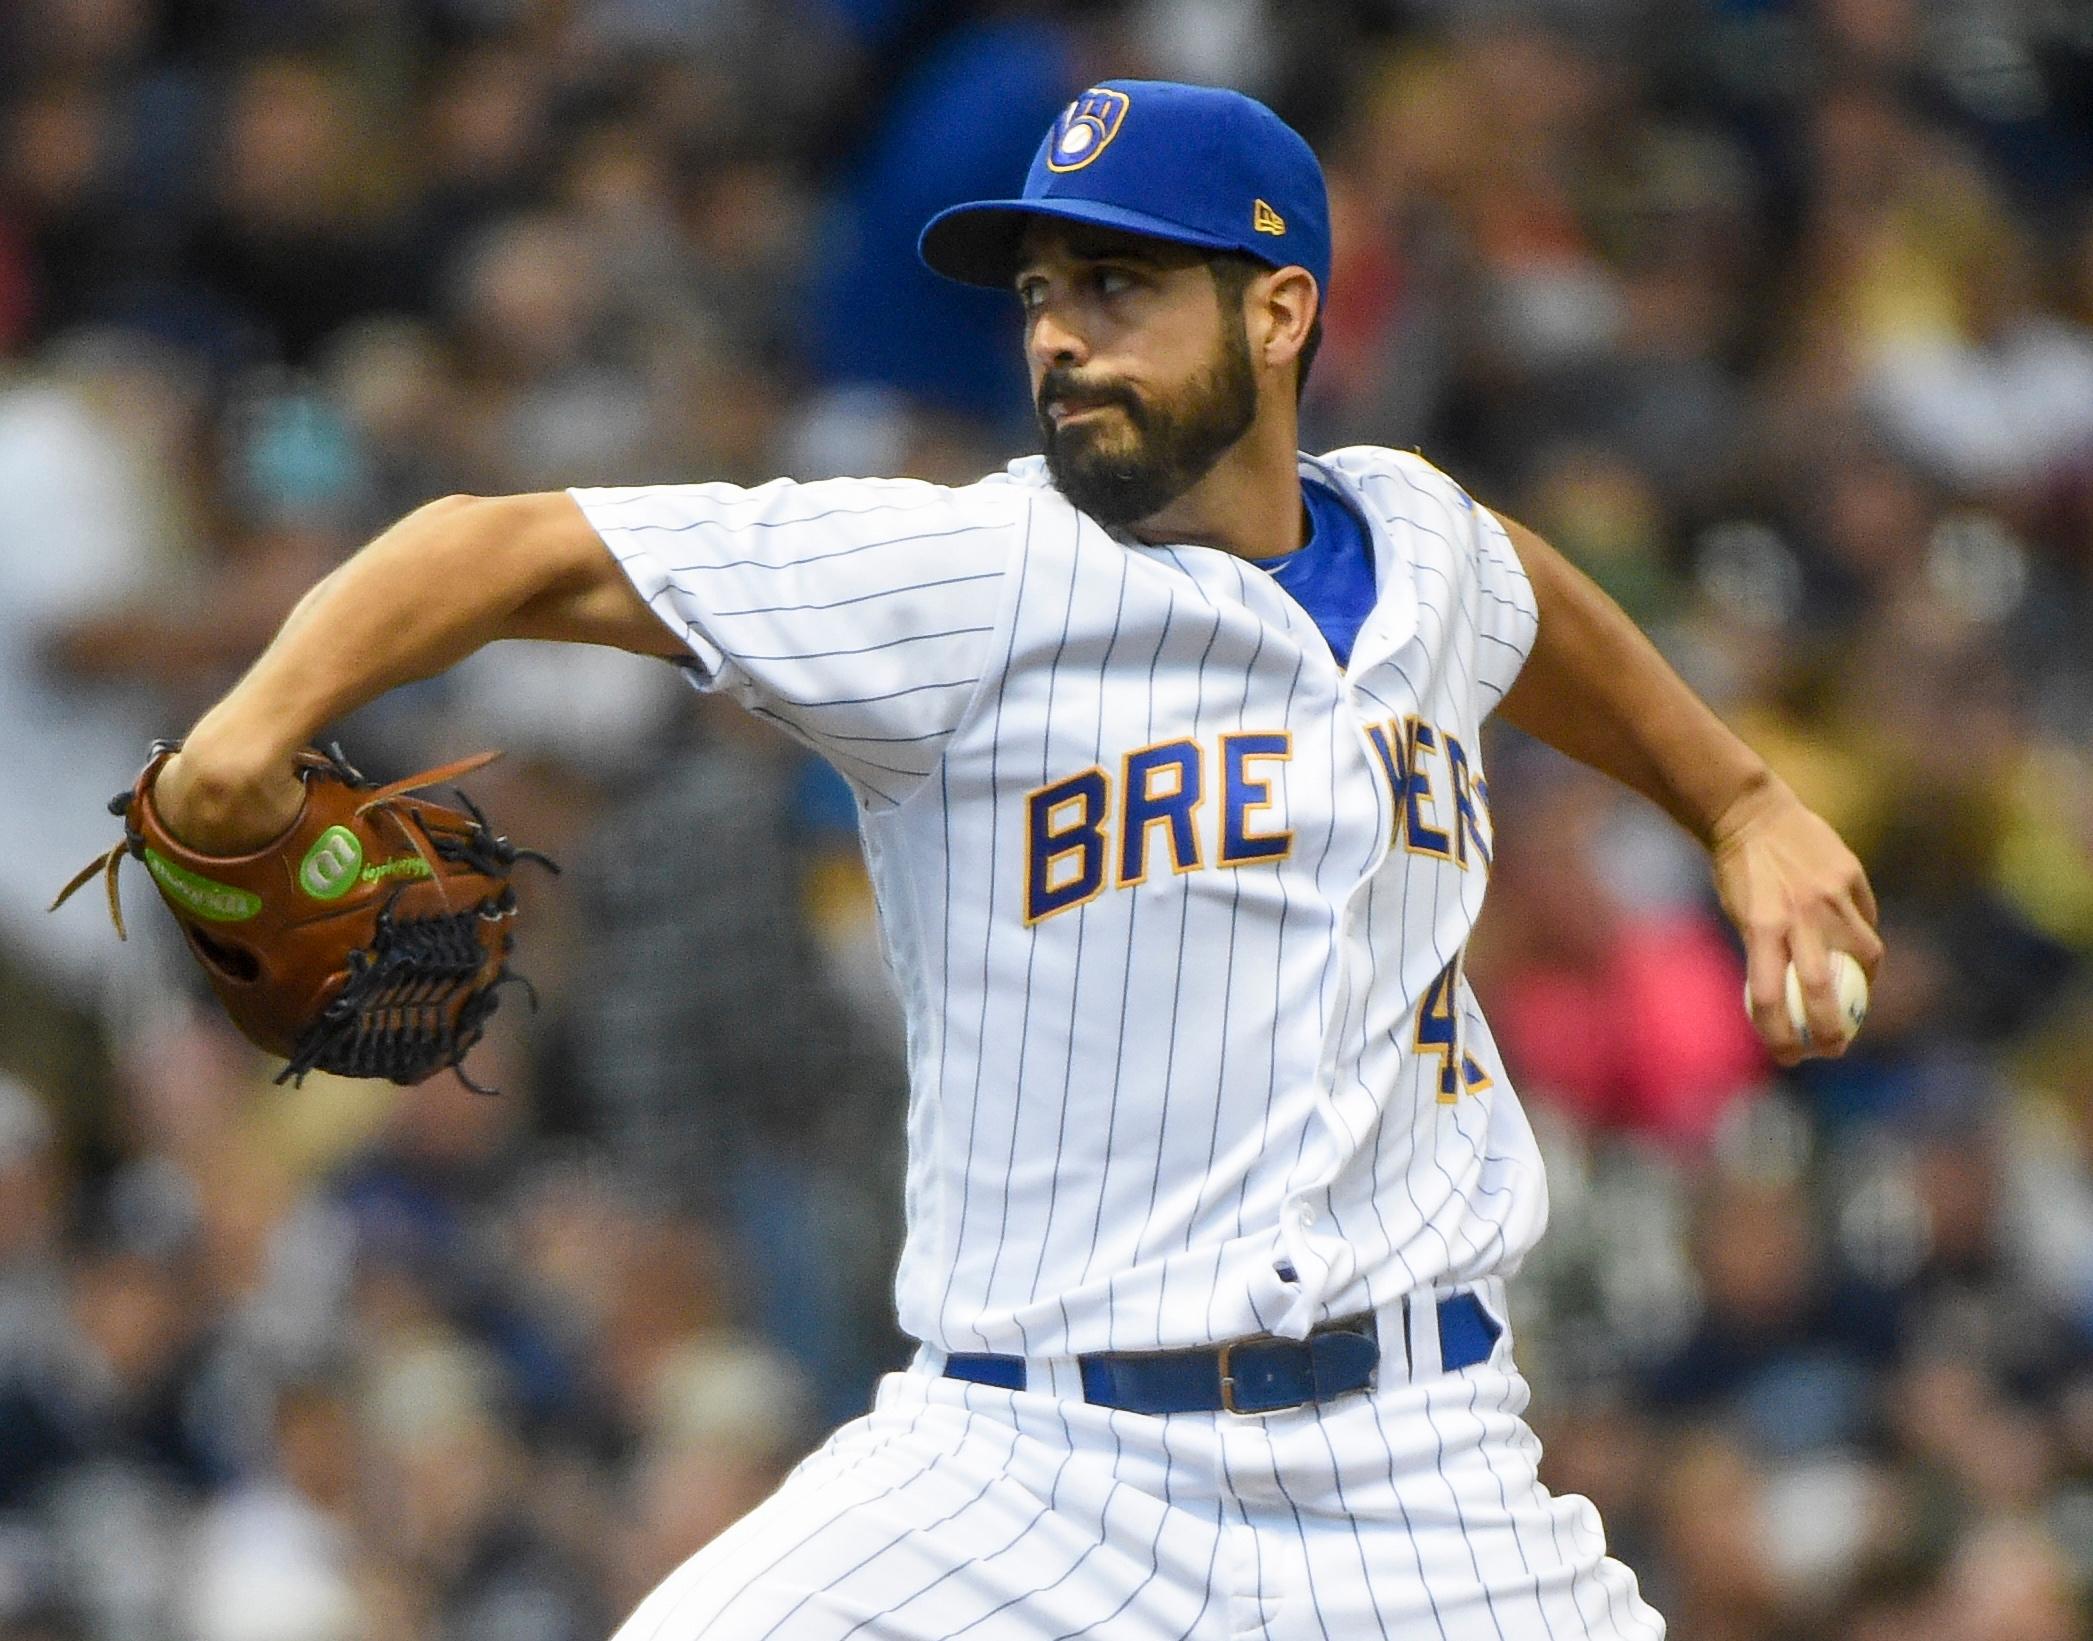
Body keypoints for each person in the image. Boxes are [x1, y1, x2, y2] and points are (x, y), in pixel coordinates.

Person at [151, 82, 1881, 1638]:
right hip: (1023, 1469)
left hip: (1418, 1463)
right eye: (1041, 291)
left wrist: (1736, 800)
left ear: (1280, 312)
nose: (1058, 336)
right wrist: (251, 729)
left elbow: (1520, 596)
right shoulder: (966, 578)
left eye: (1118, 288)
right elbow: (504, 546)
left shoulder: (1417, 541)